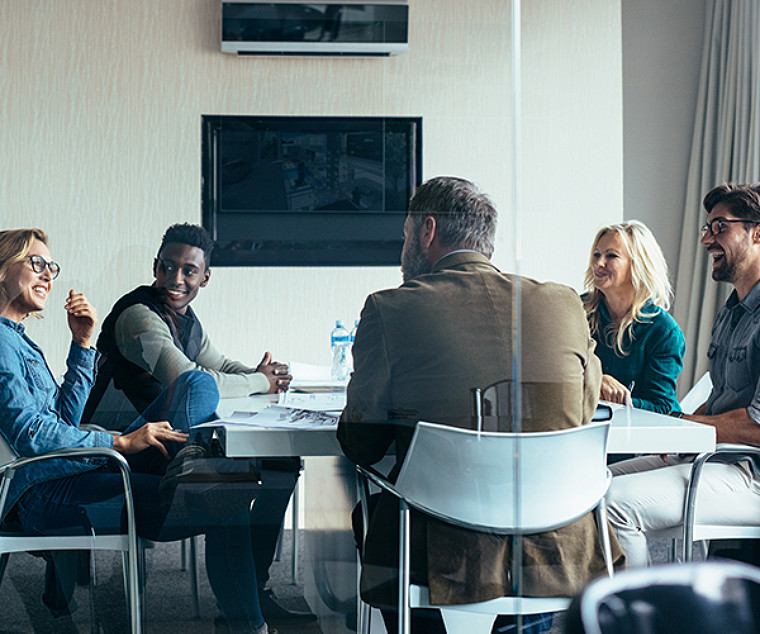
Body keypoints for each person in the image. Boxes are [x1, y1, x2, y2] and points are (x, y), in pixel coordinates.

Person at [337, 176, 623, 634]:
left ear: (427, 230)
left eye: (406, 234)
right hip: (558, 539)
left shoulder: (390, 308)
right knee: (528, 528)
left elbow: (362, 442)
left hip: (441, 546)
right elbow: (581, 410)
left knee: (368, 513)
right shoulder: (564, 303)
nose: (404, 245)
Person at [0, 228, 270, 633]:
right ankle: (249, 627)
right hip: (47, 495)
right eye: (35, 263)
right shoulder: (2, 342)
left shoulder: (19, 342)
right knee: (224, 499)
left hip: (70, 473)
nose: (48, 275)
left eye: (51, 266)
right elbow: (31, 434)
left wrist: (82, 343)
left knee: (198, 386)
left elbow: (62, 422)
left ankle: (191, 466)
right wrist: (118, 442)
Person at [83, 223, 312, 625]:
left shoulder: (187, 320)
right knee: (196, 391)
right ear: (155, 267)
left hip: (168, 446)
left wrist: (264, 376)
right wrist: (260, 383)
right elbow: (189, 377)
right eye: (167, 268)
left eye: (188, 271)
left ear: (204, 277)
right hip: (120, 448)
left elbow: (220, 365)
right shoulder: (139, 316)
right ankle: (196, 475)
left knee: (278, 463)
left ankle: (252, 592)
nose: (175, 279)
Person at [606, 183, 760, 567]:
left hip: (751, 473)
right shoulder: (732, 312)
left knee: (614, 505)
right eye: (707, 228)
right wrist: (681, 433)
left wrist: (680, 426)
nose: (707, 239)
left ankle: (637, 621)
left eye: (720, 227)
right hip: (718, 458)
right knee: (592, 486)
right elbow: (724, 399)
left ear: (757, 232)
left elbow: (756, 426)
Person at [582, 221, 685, 414]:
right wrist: (597, 379)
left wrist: (620, 400)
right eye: (597, 254)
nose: (598, 263)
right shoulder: (578, 311)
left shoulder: (664, 331)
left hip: (640, 436)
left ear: (638, 265)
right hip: (588, 429)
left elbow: (662, 406)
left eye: (611, 256)